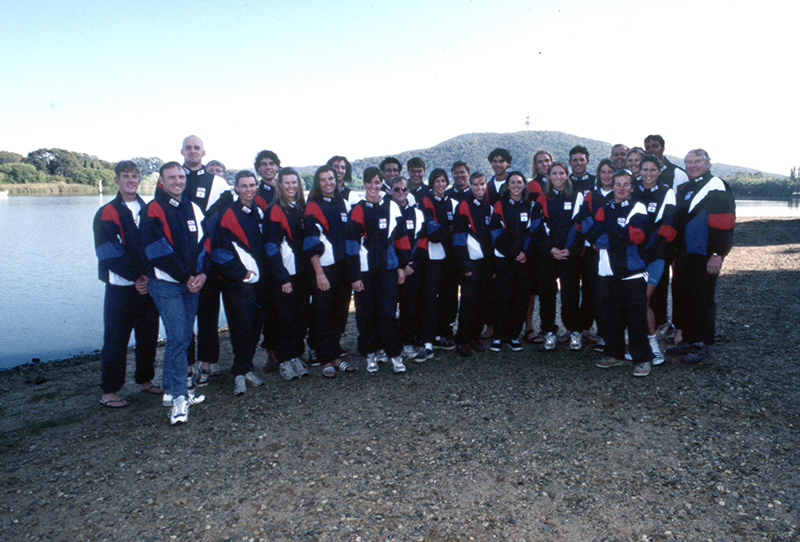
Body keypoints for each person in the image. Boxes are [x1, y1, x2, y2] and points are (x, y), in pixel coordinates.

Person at [142, 162, 209, 425]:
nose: (178, 181)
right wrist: (187, 276)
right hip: (167, 284)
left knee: (180, 338)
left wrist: (202, 274)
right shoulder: (153, 210)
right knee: (179, 336)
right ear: (162, 180)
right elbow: (157, 250)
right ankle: (180, 398)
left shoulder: (193, 208)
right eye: (172, 177)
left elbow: (206, 244)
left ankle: (170, 391)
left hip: (192, 285)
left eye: (181, 176)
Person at [94, 160, 161, 408]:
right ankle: (109, 391)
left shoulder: (149, 210)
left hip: (146, 287)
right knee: (116, 339)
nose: (131, 180)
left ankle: (145, 381)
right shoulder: (107, 213)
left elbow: (155, 247)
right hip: (120, 288)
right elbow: (108, 252)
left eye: (134, 176)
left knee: (148, 336)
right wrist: (137, 277)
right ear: (117, 180)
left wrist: (147, 276)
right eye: (126, 176)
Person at [668, 149, 735, 363]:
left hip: (705, 254)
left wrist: (718, 254)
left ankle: (702, 343)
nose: (692, 165)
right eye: (688, 162)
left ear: (708, 163)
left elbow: (724, 223)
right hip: (684, 253)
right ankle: (687, 338)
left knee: (702, 298)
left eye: (697, 161)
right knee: (683, 296)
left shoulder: (717, 186)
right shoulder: (685, 188)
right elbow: (678, 222)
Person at [178, 136, 233, 387]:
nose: (192, 151)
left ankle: (207, 365)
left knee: (208, 316)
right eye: (188, 148)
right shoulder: (172, 177)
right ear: (182, 151)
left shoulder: (217, 182)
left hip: (208, 261)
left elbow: (224, 224)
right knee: (184, 320)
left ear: (203, 152)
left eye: (196, 148)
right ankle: (188, 368)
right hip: (179, 265)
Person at [591, 169, 654, 377]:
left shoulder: (639, 208)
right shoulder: (605, 207)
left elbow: (636, 235)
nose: (621, 188)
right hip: (609, 271)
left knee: (636, 318)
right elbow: (595, 235)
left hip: (633, 272)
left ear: (632, 188)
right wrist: (617, 233)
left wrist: (610, 233)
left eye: (626, 184)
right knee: (612, 316)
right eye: (618, 184)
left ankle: (643, 359)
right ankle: (615, 354)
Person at [347, 167, 410, 374]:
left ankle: (395, 355)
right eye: (369, 182)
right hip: (364, 273)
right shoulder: (357, 209)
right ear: (364, 184)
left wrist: (401, 266)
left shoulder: (392, 207)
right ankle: (370, 354)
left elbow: (401, 239)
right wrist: (354, 275)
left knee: (388, 314)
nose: (373, 187)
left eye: (377, 182)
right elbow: (351, 246)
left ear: (381, 184)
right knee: (366, 315)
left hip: (387, 270)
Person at [213, 171, 266, 396]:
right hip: (238, 282)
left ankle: (245, 367)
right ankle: (239, 374)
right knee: (240, 327)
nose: (248, 189)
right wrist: (241, 273)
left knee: (255, 326)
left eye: (252, 185)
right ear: (236, 188)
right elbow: (218, 251)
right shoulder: (227, 214)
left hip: (260, 282)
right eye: (243, 186)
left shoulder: (258, 212)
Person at [304, 165, 353, 376]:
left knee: (340, 313)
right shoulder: (312, 206)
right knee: (322, 314)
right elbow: (310, 244)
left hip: (343, 267)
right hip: (325, 269)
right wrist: (319, 273)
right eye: (323, 180)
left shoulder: (343, 202)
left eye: (330, 178)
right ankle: (325, 359)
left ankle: (335, 355)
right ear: (318, 183)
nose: (328, 183)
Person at [264, 167, 312, 381]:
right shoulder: (274, 210)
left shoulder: (301, 207)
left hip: (303, 273)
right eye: (287, 183)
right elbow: (271, 248)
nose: (291, 186)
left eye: (295, 182)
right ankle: (284, 359)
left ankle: (296, 356)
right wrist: (282, 276)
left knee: (301, 316)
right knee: (284, 317)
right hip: (284, 276)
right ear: (279, 185)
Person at [532, 162, 585, 351]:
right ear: (548, 176)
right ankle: (549, 332)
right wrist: (550, 249)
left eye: (561, 173)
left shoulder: (578, 196)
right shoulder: (542, 198)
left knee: (570, 294)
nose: (558, 176)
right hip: (548, 254)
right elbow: (536, 227)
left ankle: (574, 331)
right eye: (554, 173)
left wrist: (571, 249)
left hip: (569, 254)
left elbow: (580, 226)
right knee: (547, 294)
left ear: (567, 175)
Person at [489, 171, 540, 352]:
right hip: (505, 259)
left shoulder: (531, 205)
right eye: (513, 182)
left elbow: (533, 232)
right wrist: (513, 252)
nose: (516, 185)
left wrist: (525, 253)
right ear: (508, 185)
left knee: (520, 299)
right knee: (502, 297)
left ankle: (513, 336)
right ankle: (497, 336)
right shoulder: (500, 205)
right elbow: (496, 232)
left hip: (524, 261)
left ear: (524, 185)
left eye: (520, 182)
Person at [634, 155, 677, 365]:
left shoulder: (667, 192)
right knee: (633, 301)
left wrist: (650, 253)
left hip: (654, 257)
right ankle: (637, 344)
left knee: (643, 300)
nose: (648, 174)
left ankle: (653, 346)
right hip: (633, 257)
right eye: (645, 169)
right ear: (639, 171)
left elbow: (668, 227)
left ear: (659, 172)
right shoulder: (633, 189)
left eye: (653, 170)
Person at [417, 168, 458, 359]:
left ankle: (442, 333)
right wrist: (447, 229)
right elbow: (432, 233)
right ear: (432, 183)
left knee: (448, 298)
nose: (440, 184)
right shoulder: (426, 201)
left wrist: (446, 230)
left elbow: (457, 230)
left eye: (443, 181)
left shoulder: (453, 203)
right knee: (429, 299)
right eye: (437, 181)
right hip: (431, 259)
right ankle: (427, 339)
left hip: (450, 259)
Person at [452, 172, 494, 356]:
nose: (479, 188)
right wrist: (464, 265)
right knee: (469, 302)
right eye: (475, 184)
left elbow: (490, 240)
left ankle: (474, 337)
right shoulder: (463, 205)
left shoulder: (488, 206)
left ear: (486, 185)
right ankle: (462, 341)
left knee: (483, 302)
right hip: (469, 263)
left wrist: (492, 266)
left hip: (485, 263)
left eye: (482, 184)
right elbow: (459, 238)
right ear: (470, 185)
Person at [392, 176, 427, 358]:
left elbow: (423, 241)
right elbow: (387, 243)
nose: (400, 192)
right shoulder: (386, 211)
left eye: (404, 189)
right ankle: (388, 345)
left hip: (412, 269)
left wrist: (411, 265)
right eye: (396, 189)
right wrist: (399, 266)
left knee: (409, 307)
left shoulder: (417, 213)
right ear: (391, 191)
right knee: (388, 308)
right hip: (392, 269)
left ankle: (406, 343)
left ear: (408, 191)